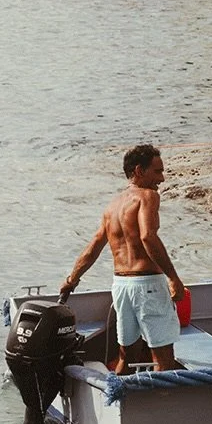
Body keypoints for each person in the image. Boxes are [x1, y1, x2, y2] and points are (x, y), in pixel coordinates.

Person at [60, 145, 186, 372]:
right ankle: (160, 407)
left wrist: (71, 280)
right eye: (157, 172)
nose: (162, 179)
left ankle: (117, 400)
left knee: (125, 359)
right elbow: (148, 236)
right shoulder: (148, 196)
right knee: (164, 360)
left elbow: (93, 248)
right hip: (147, 285)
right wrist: (174, 278)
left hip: (121, 286)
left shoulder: (112, 206)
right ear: (139, 170)